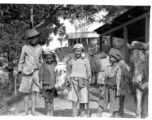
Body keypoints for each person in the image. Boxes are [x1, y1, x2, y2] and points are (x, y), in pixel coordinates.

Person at [18, 28, 43, 115]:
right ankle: (25, 109)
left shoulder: (40, 48)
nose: (34, 39)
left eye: (35, 37)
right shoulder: (25, 48)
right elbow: (21, 60)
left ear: (37, 38)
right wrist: (20, 71)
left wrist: (40, 70)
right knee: (26, 91)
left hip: (36, 72)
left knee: (34, 91)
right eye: (31, 38)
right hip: (26, 72)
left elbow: (41, 60)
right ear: (29, 39)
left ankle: (33, 109)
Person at [96, 48, 123, 117]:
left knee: (115, 110)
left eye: (111, 57)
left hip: (115, 91)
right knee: (100, 107)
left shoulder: (120, 68)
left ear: (116, 58)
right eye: (109, 57)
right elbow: (103, 79)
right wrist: (101, 89)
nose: (109, 58)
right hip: (105, 89)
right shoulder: (107, 68)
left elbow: (128, 74)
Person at [67, 44, 91, 117]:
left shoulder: (86, 60)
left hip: (83, 82)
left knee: (82, 101)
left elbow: (89, 72)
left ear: (82, 51)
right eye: (75, 51)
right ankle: (74, 116)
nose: (77, 52)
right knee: (74, 101)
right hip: (73, 82)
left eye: (79, 51)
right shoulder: (71, 61)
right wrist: (69, 80)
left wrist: (86, 80)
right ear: (73, 51)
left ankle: (82, 116)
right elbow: (68, 71)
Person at [39, 50, 58, 116]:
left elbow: (56, 58)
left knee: (51, 100)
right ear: (45, 59)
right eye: (47, 58)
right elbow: (41, 75)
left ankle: (51, 113)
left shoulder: (54, 65)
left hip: (52, 85)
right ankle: (47, 112)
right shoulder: (43, 65)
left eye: (50, 58)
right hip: (45, 85)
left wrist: (53, 54)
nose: (49, 59)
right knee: (46, 100)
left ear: (52, 58)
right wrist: (41, 84)